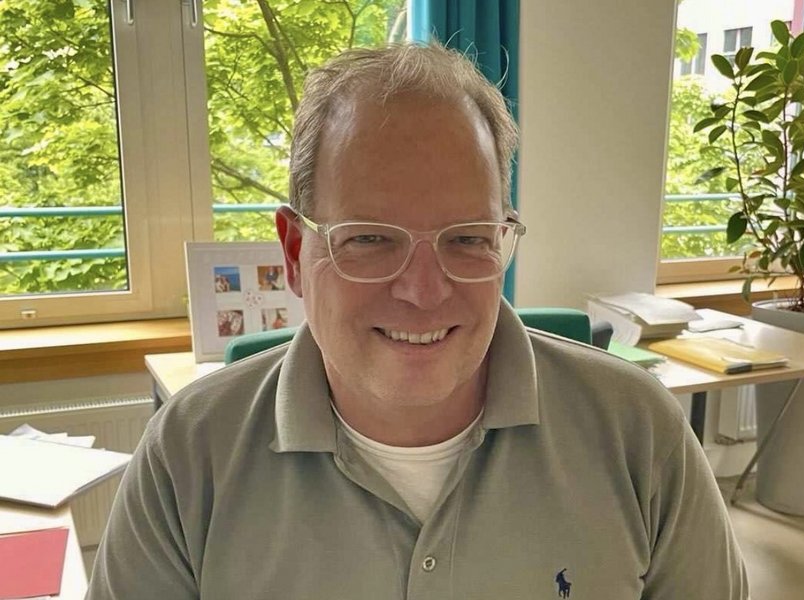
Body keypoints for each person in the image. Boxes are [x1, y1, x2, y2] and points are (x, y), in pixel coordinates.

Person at [87, 43, 748, 599]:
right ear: (294, 253)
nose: (425, 291)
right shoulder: (188, 456)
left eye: (467, 238)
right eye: (370, 239)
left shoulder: (639, 433)